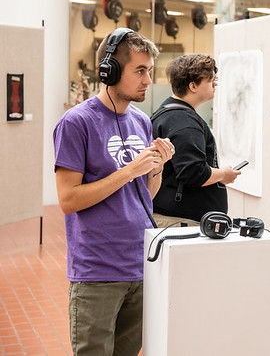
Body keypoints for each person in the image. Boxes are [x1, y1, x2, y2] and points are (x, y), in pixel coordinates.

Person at [53, 28, 175, 356]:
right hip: (97, 272)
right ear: (110, 71)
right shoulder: (76, 123)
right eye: (140, 70)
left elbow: (143, 197)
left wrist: (156, 168)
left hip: (139, 264)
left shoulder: (141, 122)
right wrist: (128, 171)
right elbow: (68, 200)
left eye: (149, 71)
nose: (148, 80)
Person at [151, 54, 241, 227]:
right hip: (179, 221)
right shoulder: (185, 123)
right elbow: (194, 173)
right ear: (193, 85)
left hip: (174, 218)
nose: (215, 84)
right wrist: (223, 175)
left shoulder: (168, 114)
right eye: (210, 80)